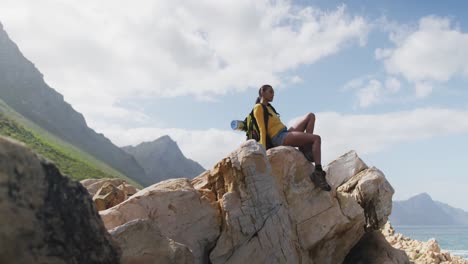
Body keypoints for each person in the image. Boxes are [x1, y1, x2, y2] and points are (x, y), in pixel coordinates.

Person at [253, 84, 331, 191]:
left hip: (285, 132)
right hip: (279, 137)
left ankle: (306, 148)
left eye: (273, 92)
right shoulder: (258, 108)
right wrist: (263, 152)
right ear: (262, 92)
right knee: (316, 138)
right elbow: (262, 129)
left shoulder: (269, 107)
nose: (273, 94)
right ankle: (318, 172)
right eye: (270, 92)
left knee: (310, 116)